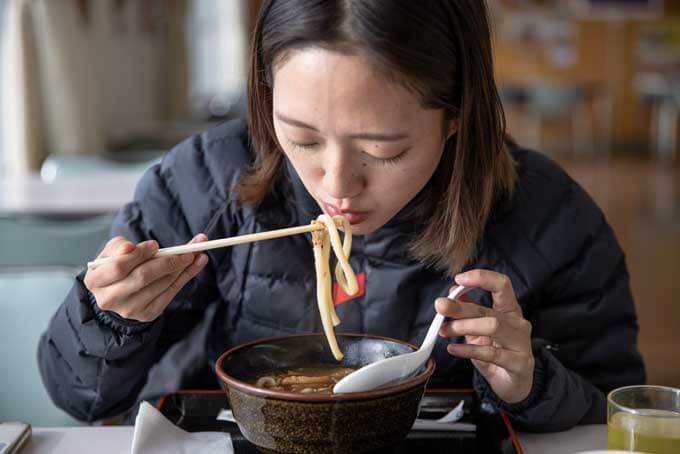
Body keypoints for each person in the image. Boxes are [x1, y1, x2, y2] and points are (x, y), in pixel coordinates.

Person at [38, 0, 644, 431]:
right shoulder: (205, 181)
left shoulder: (548, 217)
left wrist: (531, 380)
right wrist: (110, 319)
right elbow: (79, 401)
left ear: (457, 115)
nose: (336, 185)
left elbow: (616, 413)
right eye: (301, 137)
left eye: (384, 149)